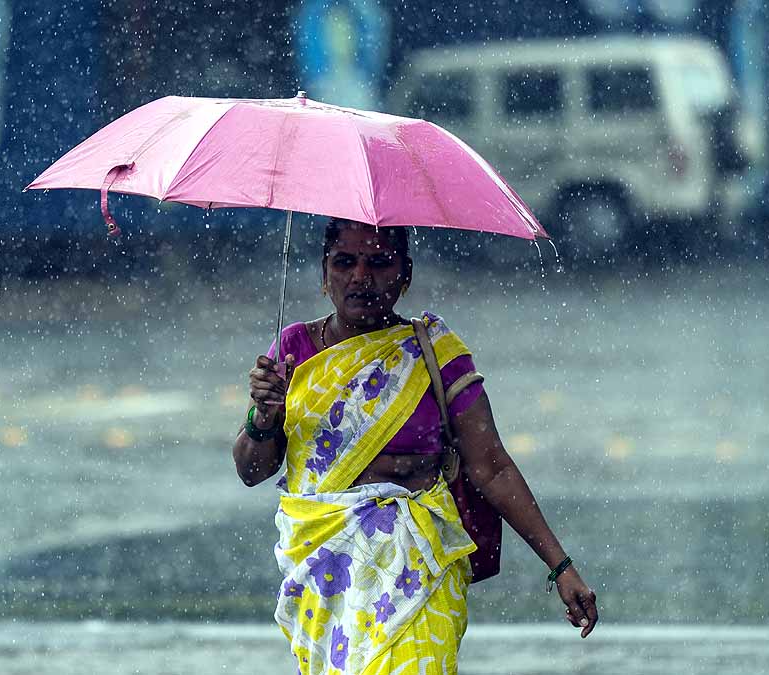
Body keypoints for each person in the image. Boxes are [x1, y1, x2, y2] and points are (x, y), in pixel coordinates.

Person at [232, 218, 598, 674]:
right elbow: (252, 471)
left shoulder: (433, 351)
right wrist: (264, 414)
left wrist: (560, 566)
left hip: (419, 570)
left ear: (405, 275)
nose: (361, 277)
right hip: (327, 574)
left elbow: (493, 468)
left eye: (379, 263)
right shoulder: (294, 350)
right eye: (344, 262)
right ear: (324, 276)